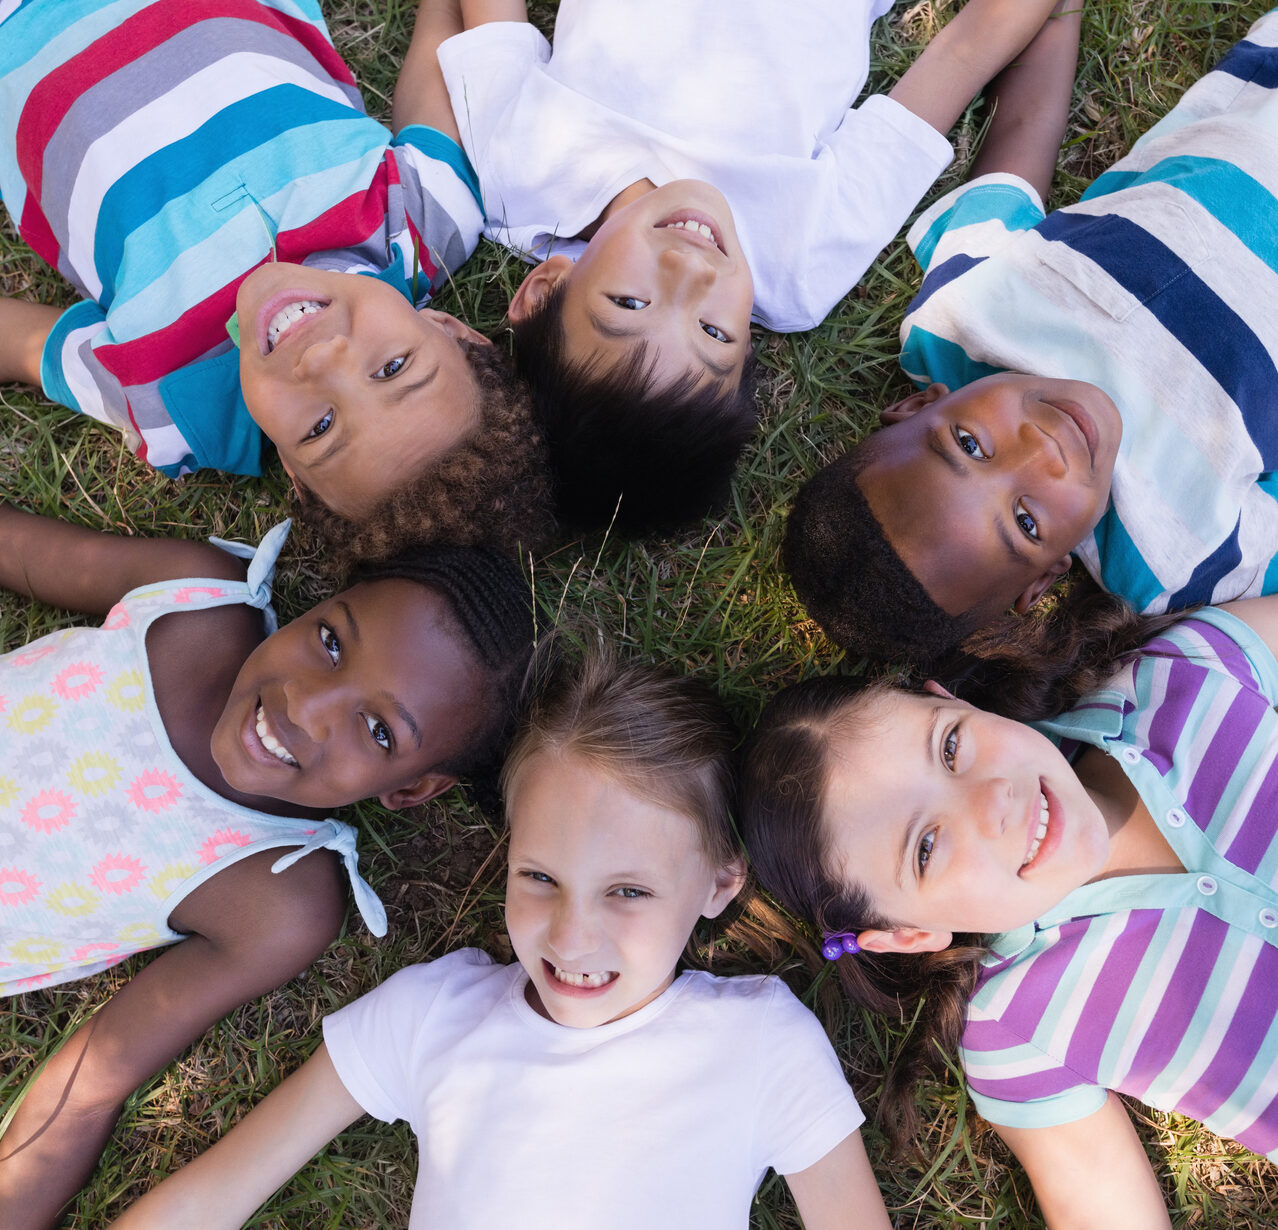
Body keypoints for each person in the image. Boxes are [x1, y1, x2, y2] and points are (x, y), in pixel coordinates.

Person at [108, 648, 892, 1230]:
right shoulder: (431, 1013)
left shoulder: (757, 1039)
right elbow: (216, 1194)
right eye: (539, 878)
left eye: (628, 892)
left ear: (720, 885)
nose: (571, 936)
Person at [0, 503, 536, 1230]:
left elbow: (93, 1078)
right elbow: (24, 552)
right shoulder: (193, 597)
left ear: (408, 790)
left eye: (378, 729)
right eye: (330, 641)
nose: (304, 705)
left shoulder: (276, 893)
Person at [432, 0, 1095, 534]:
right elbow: (963, 53)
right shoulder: (796, 263)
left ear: (546, 287)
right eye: (716, 335)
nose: (690, 273)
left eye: (629, 303)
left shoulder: (519, 170)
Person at [738, 586, 1278, 1229]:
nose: (992, 799)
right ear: (909, 934)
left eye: (950, 748)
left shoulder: (1182, 677)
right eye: (927, 847)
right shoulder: (1016, 1028)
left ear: (952, 700)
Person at [0, 0, 551, 564]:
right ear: (453, 331)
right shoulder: (425, 223)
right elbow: (445, 44)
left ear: (291, 470)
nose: (321, 359)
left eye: (320, 429)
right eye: (393, 368)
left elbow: (23, 342)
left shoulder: (170, 405)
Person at [785, 0, 1278, 666]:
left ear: (920, 404)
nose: (1042, 451)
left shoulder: (962, 318)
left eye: (969, 443)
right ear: (1044, 578)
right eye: (1025, 521)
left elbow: (1025, 129)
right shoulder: (1179, 564)